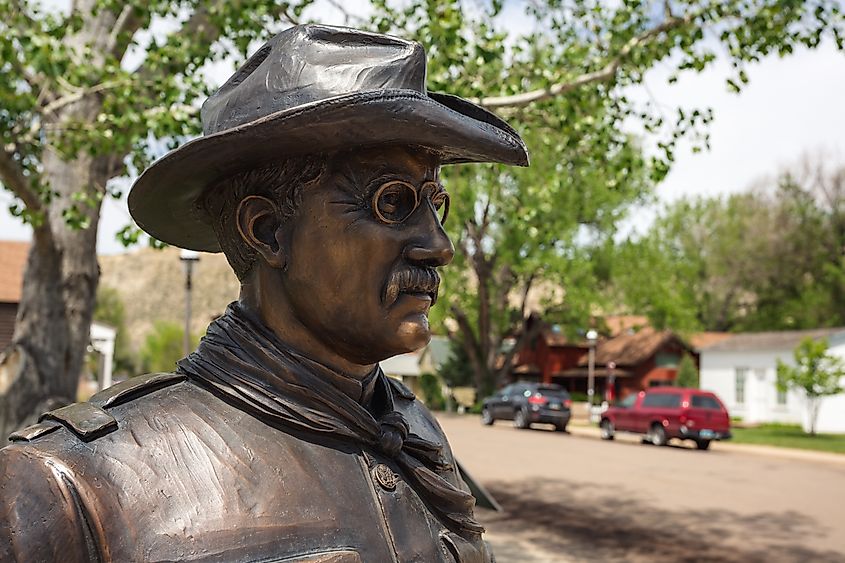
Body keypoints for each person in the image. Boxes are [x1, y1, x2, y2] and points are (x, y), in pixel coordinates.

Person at [0, 24, 527, 562]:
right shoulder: (75, 490)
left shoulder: (417, 431)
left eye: (434, 205)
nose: (438, 247)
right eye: (392, 203)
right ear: (269, 230)